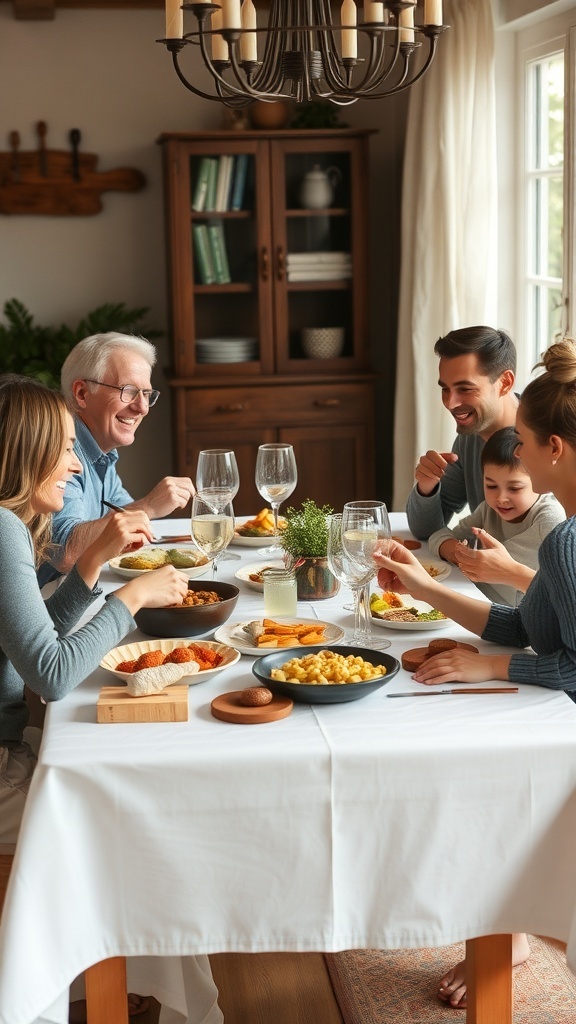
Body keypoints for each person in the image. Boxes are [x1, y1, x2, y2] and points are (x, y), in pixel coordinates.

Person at [0, 374, 223, 1024]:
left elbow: (40, 638)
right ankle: (108, 998)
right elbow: (51, 672)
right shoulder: (4, 534)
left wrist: (93, 567)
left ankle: (126, 989)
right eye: (65, 449)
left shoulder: (11, 527)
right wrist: (128, 598)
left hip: (14, 745)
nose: (75, 465)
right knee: (134, 822)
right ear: (28, 452)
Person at [375, 337, 576, 1008]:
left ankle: (502, 929)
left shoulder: (566, 537)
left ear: (554, 449)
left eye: (520, 436)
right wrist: (419, 584)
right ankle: (493, 927)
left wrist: (489, 668)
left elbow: (574, 667)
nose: (506, 445)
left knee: (477, 767)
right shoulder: (563, 534)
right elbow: (526, 624)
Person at [38, 332, 195, 585]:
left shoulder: (102, 450)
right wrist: (148, 507)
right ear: (81, 393)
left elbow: (126, 519)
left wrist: (141, 513)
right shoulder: (59, 452)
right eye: (129, 391)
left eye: (147, 394)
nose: (142, 407)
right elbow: (64, 552)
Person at [428, 426, 565, 605]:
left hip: (518, 618)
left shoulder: (550, 520)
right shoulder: (488, 509)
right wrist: (455, 551)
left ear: (540, 480)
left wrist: (465, 556)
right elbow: (437, 537)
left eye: (514, 488)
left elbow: (489, 564)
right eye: (491, 486)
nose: (501, 498)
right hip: (478, 601)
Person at [406, 326, 519, 540]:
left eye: (465, 389)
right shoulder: (469, 438)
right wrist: (427, 487)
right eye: (445, 389)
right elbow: (425, 531)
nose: (450, 403)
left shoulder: (548, 440)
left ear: (504, 383)